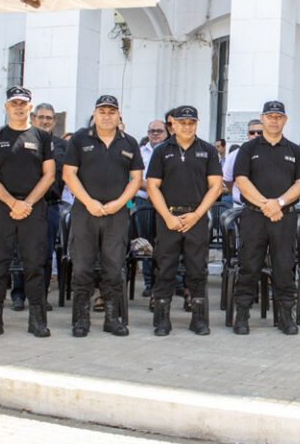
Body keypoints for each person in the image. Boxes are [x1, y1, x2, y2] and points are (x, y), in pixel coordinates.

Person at [63, 95, 143, 337]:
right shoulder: (79, 139)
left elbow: (136, 179)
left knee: (113, 267)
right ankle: (81, 320)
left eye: (111, 111)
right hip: (85, 212)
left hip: (116, 215)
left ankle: (112, 318)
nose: (107, 116)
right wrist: (90, 202)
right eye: (102, 111)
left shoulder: (129, 143)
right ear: (95, 114)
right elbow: (69, 175)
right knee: (82, 267)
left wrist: (119, 203)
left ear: (119, 115)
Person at [0, 86, 55, 340]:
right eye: (14, 103)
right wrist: (13, 203)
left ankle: (37, 321)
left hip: (33, 209)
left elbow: (49, 175)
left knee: (34, 264)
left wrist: (27, 203)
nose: (19, 107)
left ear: (30, 107)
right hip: (3, 208)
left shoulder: (42, 138)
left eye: (23, 103)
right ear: (6, 107)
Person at [232, 101, 300, 335]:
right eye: (270, 116)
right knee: (248, 266)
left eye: (278, 117)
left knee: (284, 267)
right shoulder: (249, 148)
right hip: (254, 217)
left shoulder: (294, 150)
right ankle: (242, 315)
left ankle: (285, 316)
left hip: (284, 218)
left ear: (285, 120)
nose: (274, 120)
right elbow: (241, 180)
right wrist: (265, 204)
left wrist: (280, 203)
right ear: (262, 119)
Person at [146, 105, 222, 336]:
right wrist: (168, 217)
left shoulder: (208, 150)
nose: (187, 127)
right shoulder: (161, 151)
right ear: (173, 125)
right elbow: (152, 186)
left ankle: (199, 319)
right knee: (165, 267)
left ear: (196, 124)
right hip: (168, 217)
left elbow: (216, 186)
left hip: (196, 217)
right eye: (183, 123)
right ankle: (162, 319)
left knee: (197, 269)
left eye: (192, 123)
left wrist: (197, 214)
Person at [30, 102, 67, 310]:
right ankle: (19, 294)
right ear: (34, 119)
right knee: (24, 253)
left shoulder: (63, 146)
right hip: (25, 206)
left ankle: (41, 297)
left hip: (50, 206)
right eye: (41, 117)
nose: (45, 121)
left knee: (45, 254)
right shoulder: (23, 142)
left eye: (49, 118)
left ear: (54, 121)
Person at [136, 119, 168, 297]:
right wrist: (151, 190)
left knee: (165, 244)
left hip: (165, 203)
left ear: (166, 133)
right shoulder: (140, 152)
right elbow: (135, 177)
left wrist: (156, 192)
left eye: (159, 131)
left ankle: (166, 282)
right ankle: (149, 282)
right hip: (144, 204)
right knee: (146, 244)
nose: (155, 134)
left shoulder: (170, 151)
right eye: (151, 131)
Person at [223, 119, 263, 206]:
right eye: (252, 132)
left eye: (260, 132)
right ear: (248, 135)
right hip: (242, 206)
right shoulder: (235, 154)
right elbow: (227, 179)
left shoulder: (272, 153)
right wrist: (236, 192)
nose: (256, 135)